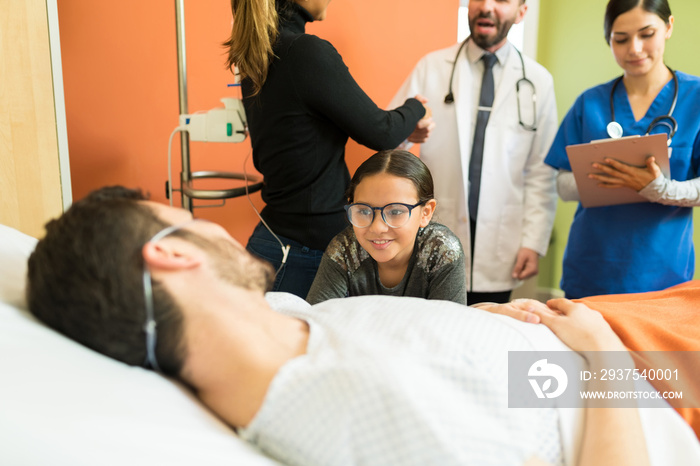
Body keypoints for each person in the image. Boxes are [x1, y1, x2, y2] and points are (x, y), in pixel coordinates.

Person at [32, 187, 700, 465]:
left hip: (573, 351)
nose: (213, 227)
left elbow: (481, 381)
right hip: (634, 386)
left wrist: (483, 329)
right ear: (172, 252)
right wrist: (603, 355)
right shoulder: (362, 410)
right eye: (185, 217)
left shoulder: (279, 329)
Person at [224, 0, 433, 299]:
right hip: (301, 254)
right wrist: (416, 107)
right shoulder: (306, 52)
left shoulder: (258, 54)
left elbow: (307, 130)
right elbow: (382, 131)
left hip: (274, 241)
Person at [389, 0, 558, 306]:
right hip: (439, 229)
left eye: (502, 0)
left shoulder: (538, 82)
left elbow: (542, 171)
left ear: (521, 12)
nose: (487, 7)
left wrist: (533, 242)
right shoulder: (432, 67)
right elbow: (388, 137)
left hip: (501, 240)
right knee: (433, 326)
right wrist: (405, 133)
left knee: (487, 332)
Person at [544, 0, 700, 299]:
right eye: (621, 39)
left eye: (647, 34)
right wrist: (608, 177)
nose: (635, 49)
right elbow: (562, 186)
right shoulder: (590, 103)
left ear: (668, 27)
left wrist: (661, 190)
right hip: (592, 268)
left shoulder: (696, 98)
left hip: (663, 273)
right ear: (609, 40)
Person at [306, 150, 466, 305]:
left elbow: (448, 329)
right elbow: (316, 322)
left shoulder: (443, 251)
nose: (377, 228)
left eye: (395, 211)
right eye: (363, 210)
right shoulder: (344, 249)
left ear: (426, 212)